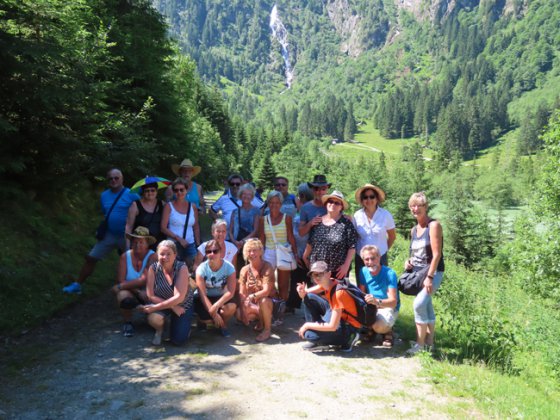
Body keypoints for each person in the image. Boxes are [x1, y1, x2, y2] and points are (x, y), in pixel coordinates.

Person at [63, 168, 139, 294]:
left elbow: (139, 212)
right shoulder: (104, 196)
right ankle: (77, 285)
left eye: (116, 178)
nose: (113, 180)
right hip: (109, 234)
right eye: (110, 178)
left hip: (127, 235)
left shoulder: (131, 194)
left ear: (122, 179)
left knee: (132, 262)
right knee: (91, 257)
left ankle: (135, 291)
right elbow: (106, 213)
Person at [405, 192, 445, 355]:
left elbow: (437, 254)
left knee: (419, 304)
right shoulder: (414, 230)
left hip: (432, 273)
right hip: (417, 273)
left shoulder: (433, 226)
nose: (415, 209)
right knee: (426, 305)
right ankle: (430, 343)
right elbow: (414, 252)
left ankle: (419, 345)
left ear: (425, 207)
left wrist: (430, 277)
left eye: (419, 205)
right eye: (412, 206)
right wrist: (408, 262)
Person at [297, 261, 361, 352]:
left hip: (349, 325)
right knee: (309, 297)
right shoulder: (328, 282)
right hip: (339, 316)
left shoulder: (338, 293)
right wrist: (302, 292)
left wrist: (307, 325)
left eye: (320, 274)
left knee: (310, 335)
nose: (317, 278)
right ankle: (319, 337)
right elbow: (305, 295)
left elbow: (332, 326)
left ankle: (349, 337)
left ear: (328, 274)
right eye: (314, 275)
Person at [140, 240, 194, 346]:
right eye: (162, 254)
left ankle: (182, 324)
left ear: (175, 254)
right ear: (157, 255)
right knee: (153, 318)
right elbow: (150, 295)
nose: (165, 257)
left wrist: (155, 308)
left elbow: (179, 297)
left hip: (182, 305)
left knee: (179, 340)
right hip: (166, 303)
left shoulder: (182, 268)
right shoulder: (153, 268)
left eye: (169, 254)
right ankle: (159, 330)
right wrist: (172, 307)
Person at [113, 227, 158, 337]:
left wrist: (120, 286)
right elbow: (121, 279)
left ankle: (154, 318)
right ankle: (128, 322)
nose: (138, 245)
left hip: (151, 291)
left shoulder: (153, 256)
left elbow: (145, 279)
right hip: (132, 291)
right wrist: (137, 291)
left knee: (155, 321)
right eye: (135, 241)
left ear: (147, 244)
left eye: (141, 242)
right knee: (122, 295)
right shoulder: (125, 257)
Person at [303, 190, 358, 279]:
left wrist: (346, 266)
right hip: (318, 271)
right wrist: (305, 258)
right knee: (316, 293)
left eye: (337, 203)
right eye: (330, 201)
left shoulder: (346, 223)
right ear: (326, 204)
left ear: (341, 207)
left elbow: (352, 246)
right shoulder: (318, 221)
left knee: (338, 293)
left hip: (338, 271)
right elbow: (311, 243)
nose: (333, 204)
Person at [258, 191, 298, 302]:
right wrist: (259, 256)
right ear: (268, 203)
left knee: (283, 284)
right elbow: (262, 239)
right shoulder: (263, 220)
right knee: (267, 283)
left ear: (281, 204)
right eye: (271, 202)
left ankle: (281, 311)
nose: (274, 205)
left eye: (277, 202)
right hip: (268, 252)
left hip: (283, 251)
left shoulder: (287, 218)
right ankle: (273, 305)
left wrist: (295, 254)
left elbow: (290, 237)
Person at [358, 245, 400, 348]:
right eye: (366, 259)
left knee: (379, 326)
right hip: (371, 305)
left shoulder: (390, 274)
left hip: (387, 305)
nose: (370, 262)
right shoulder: (363, 271)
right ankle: (371, 328)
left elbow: (393, 302)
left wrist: (376, 302)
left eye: (373, 258)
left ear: (379, 257)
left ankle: (387, 331)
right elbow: (361, 294)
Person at [194, 240, 238, 337]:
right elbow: (202, 295)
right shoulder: (201, 269)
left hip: (221, 296)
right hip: (205, 297)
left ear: (220, 251)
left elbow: (231, 292)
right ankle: (203, 321)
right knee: (207, 318)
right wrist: (214, 314)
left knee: (231, 307)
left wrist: (215, 306)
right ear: (205, 254)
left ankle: (223, 325)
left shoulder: (229, 267)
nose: (212, 254)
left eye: (215, 251)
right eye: (209, 251)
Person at [353, 183, 396, 278]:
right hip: (362, 259)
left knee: (381, 287)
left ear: (377, 198)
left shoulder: (385, 215)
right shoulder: (357, 216)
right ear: (362, 200)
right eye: (365, 197)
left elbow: (392, 236)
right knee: (362, 288)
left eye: (372, 196)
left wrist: (382, 251)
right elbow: (354, 237)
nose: (369, 200)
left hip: (380, 258)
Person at [238, 239, 276, 342]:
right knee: (238, 313)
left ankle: (267, 329)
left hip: (269, 302)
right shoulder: (244, 270)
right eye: (249, 251)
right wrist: (243, 308)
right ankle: (260, 320)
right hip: (254, 304)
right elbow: (241, 293)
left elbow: (266, 291)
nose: (252, 253)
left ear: (260, 251)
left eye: (255, 250)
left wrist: (251, 296)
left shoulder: (267, 266)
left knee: (263, 300)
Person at [286, 183, 314, 312]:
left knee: (297, 279)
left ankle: (293, 304)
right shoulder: (316, 211)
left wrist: (296, 253)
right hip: (310, 253)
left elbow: (295, 235)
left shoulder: (298, 216)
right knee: (310, 280)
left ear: (301, 196)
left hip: (301, 251)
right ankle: (310, 306)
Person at [160, 178, 200, 268]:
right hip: (173, 245)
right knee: (173, 270)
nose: (179, 192)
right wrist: (178, 239)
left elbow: (196, 226)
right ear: (173, 192)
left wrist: (197, 244)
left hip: (190, 244)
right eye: (176, 190)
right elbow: (163, 228)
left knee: (193, 269)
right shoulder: (168, 206)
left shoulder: (192, 207)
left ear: (186, 190)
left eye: (182, 189)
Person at [210, 174, 263, 238]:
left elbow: (262, 207)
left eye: (237, 184)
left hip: (247, 236)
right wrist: (219, 222)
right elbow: (211, 211)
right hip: (228, 237)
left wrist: (258, 221)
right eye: (232, 184)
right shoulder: (223, 199)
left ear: (241, 184)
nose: (235, 186)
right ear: (229, 185)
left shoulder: (248, 197)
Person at [125, 182, 165, 250]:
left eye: (152, 190)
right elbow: (128, 227)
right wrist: (127, 247)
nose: (150, 193)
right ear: (143, 192)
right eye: (147, 191)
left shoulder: (162, 204)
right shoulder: (135, 205)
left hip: (158, 244)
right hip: (139, 244)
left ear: (157, 191)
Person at [229, 183, 260, 250]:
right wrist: (234, 242)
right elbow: (230, 230)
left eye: (249, 194)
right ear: (240, 195)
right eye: (244, 194)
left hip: (250, 246)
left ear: (252, 197)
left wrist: (242, 242)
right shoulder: (235, 211)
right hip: (236, 245)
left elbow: (255, 230)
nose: (246, 196)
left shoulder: (256, 211)